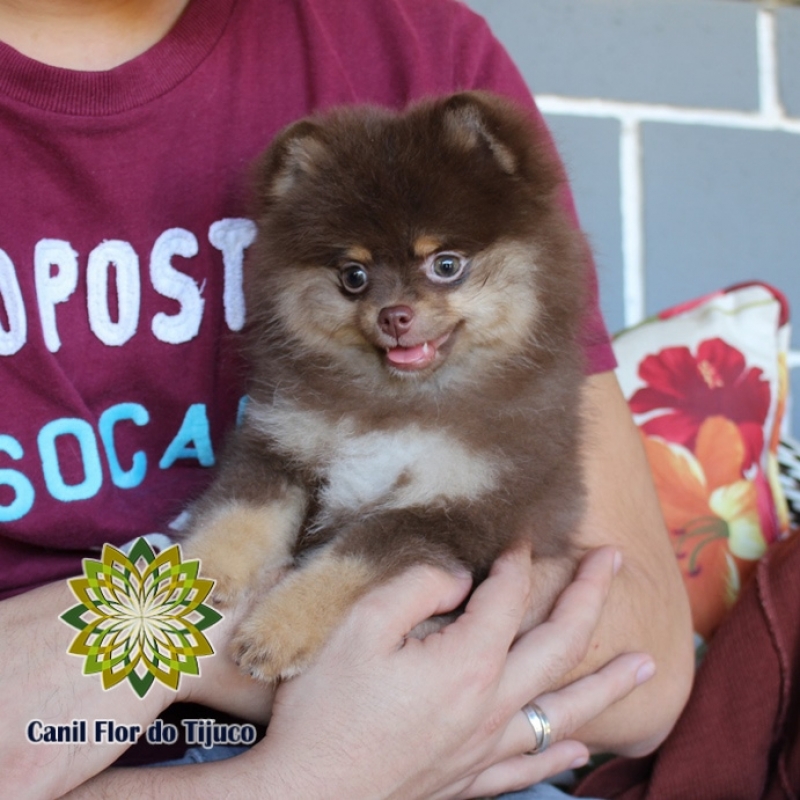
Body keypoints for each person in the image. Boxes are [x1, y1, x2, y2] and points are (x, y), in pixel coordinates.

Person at [0, 0, 694, 797]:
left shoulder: (414, 41)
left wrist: (144, 636)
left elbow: (644, 665)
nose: (397, 310)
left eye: (444, 269)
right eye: (357, 279)